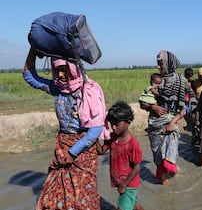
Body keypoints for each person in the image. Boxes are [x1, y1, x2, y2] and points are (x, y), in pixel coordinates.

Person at [23, 47, 109, 209]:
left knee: (82, 198)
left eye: (64, 70)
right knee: (57, 197)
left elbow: (95, 130)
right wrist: (33, 50)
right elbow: (30, 77)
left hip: (82, 151)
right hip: (62, 148)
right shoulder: (58, 88)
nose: (61, 75)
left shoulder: (87, 91)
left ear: (74, 68)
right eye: (57, 70)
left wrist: (72, 152)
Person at [140, 50, 187, 186]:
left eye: (161, 64)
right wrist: (152, 107)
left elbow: (186, 108)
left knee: (168, 160)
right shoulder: (156, 83)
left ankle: (169, 194)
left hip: (170, 124)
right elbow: (143, 102)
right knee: (159, 158)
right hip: (154, 125)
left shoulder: (180, 82)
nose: (158, 67)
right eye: (158, 64)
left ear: (169, 64)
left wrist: (173, 122)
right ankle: (166, 185)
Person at [96, 101, 143, 210]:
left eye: (116, 124)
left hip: (129, 184)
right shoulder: (113, 137)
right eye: (111, 123)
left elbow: (137, 167)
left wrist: (124, 184)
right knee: (133, 204)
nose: (113, 127)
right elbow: (101, 151)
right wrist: (94, 137)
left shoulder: (133, 144)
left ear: (128, 122)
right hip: (120, 182)